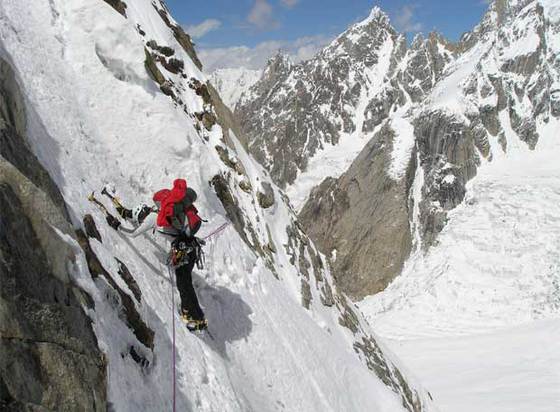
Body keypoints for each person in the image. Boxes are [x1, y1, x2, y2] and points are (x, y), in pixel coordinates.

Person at [154, 178, 207, 331]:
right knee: (184, 283)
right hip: (190, 249)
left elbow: (174, 229)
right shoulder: (182, 209)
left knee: (184, 284)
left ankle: (196, 318)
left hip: (185, 251)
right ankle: (188, 311)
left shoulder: (173, 211)